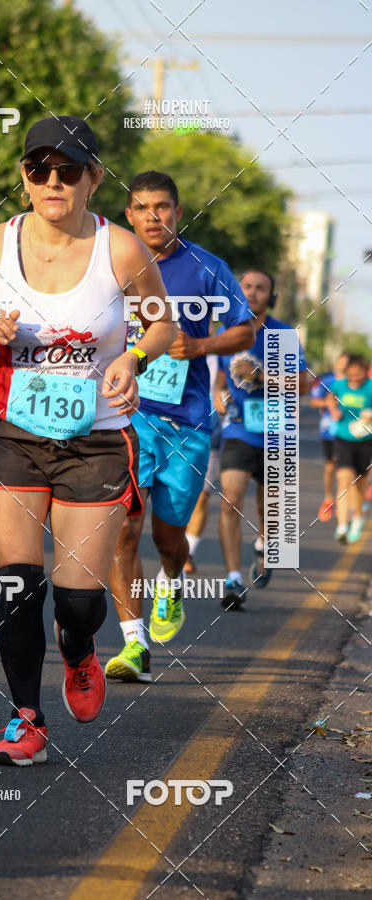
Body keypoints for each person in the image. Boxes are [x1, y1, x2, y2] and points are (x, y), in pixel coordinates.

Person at [0, 117, 176, 765]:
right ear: (23, 178)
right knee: (19, 582)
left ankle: (78, 650)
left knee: (79, 601)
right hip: (12, 432)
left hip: (97, 437)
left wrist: (133, 357)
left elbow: (160, 327)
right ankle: (27, 720)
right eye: (38, 169)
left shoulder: (123, 250)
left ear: (94, 179)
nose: (52, 181)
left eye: (68, 170)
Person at [104, 170, 254, 684]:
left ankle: (171, 581)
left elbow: (245, 326)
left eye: (163, 207)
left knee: (170, 539)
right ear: (129, 214)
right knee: (124, 527)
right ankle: (133, 644)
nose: (153, 216)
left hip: (185, 423)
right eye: (142, 207)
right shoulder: (112, 259)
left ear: (178, 211)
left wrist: (202, 346)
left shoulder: (206, 268)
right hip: (126, 417)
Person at [215, 269, 308, 609]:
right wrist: (219, 394)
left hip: (276, 431)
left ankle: (264, 546)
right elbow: (221, 379)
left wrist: (259, 375)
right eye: (247, 287)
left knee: (270, 511)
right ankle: (233, 579)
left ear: (271, 296)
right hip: (239, 430)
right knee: (230, 501)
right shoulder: (229, 332)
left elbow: (302, 386)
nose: (253, 293)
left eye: (261, 288)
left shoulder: (283, 335)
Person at [183, 355, 223, 575]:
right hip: (174, 429)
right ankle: (173, 545)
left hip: (210, 434)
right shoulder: (175, 341)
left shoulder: (225, 352)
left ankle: (188, 551)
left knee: (201, 496)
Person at [327, 354, 372, 544]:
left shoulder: (370, 387)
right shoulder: (339, 385)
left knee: (360, 483)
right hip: (344, 437)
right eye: (351, 375)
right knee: (344, 477)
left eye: (358, 375)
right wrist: (333, 410)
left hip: (366, 440)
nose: (354, 379)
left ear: (365, 372)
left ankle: (358, 517)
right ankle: (343, 524)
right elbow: (330, 398)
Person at [309, 352, 348, 522]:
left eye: (347, 362)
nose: (343, 365)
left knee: (344, 470)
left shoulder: (353, 383)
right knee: (330, 467)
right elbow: (314, 401)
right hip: (328, 430)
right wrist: (330, 403)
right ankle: (328, 499)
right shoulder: (328, 381)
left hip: (347, 431)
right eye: (341, 361)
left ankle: (343, 501)